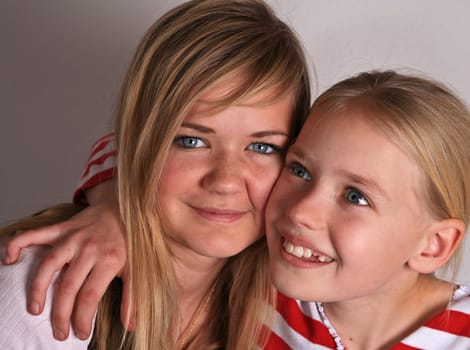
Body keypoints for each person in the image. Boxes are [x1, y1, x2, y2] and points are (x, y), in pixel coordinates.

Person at [0, 0, 311, 349]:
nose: (225, 181)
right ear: (141, 144)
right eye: (191, 141)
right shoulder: (44, 290)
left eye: (262, 148)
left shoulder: (302, 296)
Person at [265, 70, 470, 349]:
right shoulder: (252, 304)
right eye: (300, 170)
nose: (301, 211)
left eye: (355, 196)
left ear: (432, 246)